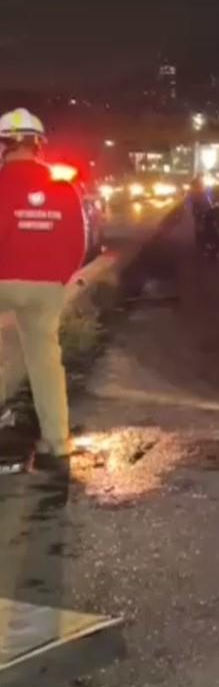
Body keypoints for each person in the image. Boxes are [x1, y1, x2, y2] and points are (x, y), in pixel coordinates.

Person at [0, 109, 86, 474]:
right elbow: (78, 242)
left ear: (4, 145)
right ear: (38, 146)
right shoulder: (62, 187)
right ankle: (55, 444)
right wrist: (58, 277)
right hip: (47, 286)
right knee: (46, 362)